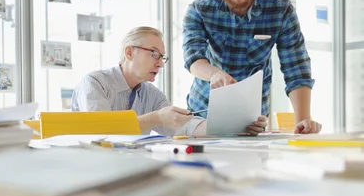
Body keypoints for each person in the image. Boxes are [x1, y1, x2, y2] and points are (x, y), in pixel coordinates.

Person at [183, 0, 322, 134]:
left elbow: (296, 67)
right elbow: (193, 58)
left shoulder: (280, 9)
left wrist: (303, 119)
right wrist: (214, 74)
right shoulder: (200, 8)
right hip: (203, 113)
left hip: (252, 121)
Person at [71, 26, 266, 137]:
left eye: (162, 57)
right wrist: (156, 118)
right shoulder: (95, 82)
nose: (159, 63)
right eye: (154, 54)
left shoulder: (150, 93)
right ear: (129, 52)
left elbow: (183, 125)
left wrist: (238, 126)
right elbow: (99, 128)